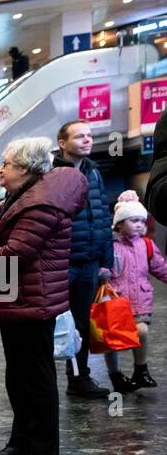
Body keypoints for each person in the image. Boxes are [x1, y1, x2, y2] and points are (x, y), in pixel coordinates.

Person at [0, 136, 87, 455]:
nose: (0, 170)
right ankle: (21, 441)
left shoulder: (41, 203)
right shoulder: (20, 196)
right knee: (18, 376)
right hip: (16, 298)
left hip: (33, 300)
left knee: (37, 378)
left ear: (25, 169)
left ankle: (44, 449)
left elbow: (19, 251)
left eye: (6, 164)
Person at [53, 120, 114, 399]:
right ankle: (45, 383)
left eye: (90, 136)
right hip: (61, 262)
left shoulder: (93, 172)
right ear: (63, 143)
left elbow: (103, 219)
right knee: (52, 323)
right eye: (80, 136)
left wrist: (106, 261)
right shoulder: (50, 173)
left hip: (88, 262)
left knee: (80, 323)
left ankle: (79, 378)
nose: (87, 140)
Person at [104, 199, 160, 392]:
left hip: (140, 301)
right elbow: (104, 266)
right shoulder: (110, 245)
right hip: (116, 302)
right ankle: (115, 374)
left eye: (141, 220)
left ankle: (141, 369)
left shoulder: (147, 245)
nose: (139, 224)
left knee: (141, 330)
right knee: (112, 342)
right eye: (133, 220)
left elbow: (160, 267)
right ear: (119, 223)